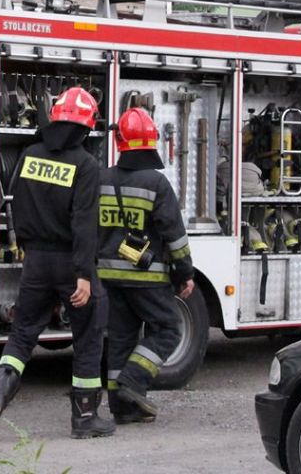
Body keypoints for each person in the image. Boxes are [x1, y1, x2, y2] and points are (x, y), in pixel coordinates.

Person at [0, 86, 113, 440]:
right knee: (87, 336)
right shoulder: (86, 165)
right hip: (71, 263)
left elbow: (16, 204)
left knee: (23, 333)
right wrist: (83, 275)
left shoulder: (30, 154)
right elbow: (84, 224)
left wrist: (26, 247)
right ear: (85, 127)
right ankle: (85, 418)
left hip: (35, 261)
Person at [98, 107, 195, 424]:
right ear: (150, 141)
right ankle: (133, 383)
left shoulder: (102, 179)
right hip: (148, 277)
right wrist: (185, 274)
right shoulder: (157, 183)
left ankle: (122, 409)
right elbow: (174, 236)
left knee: (120, 340)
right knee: (168, 329)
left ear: (120, 141)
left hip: (108, 277)